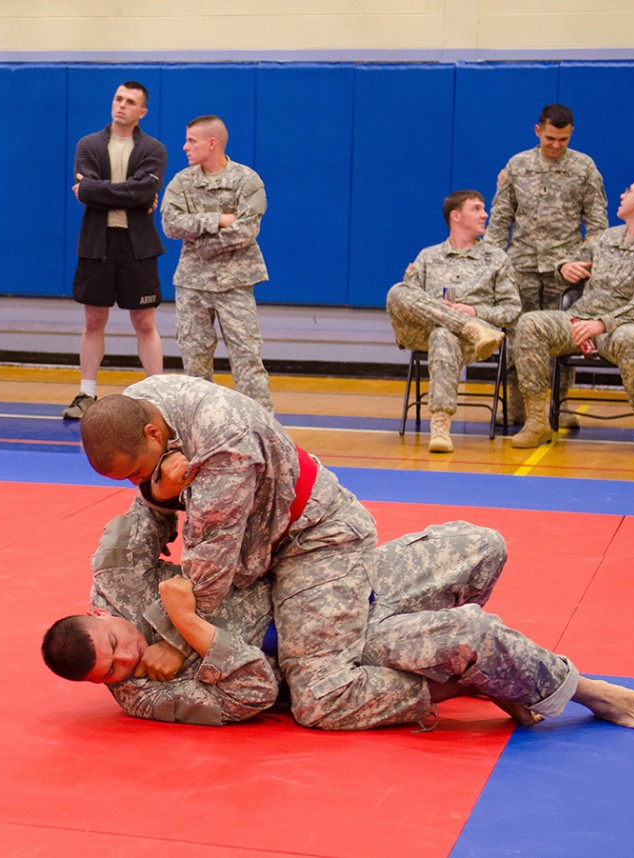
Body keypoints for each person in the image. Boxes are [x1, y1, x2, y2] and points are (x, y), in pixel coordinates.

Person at [42, 503, 634, 733]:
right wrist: (192, 634)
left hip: (343, 582)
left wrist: (160, 495)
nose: (128, 664)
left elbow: (144, 506)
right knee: (471, 635)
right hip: (332, 649)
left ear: (101, 613)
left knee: (484, 543)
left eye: (119, 645)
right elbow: (257, 694)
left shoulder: (117, 577)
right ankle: (580, 690)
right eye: (114, 673)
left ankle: (488, 667)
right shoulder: (147, 697)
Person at [78, 375, 430, 730]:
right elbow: (155, 512)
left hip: (312, 538)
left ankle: (445, 684)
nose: (135, 483)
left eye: (137, 472)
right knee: (350, 640)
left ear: (153, 434)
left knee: (320, 697)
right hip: (258, 548)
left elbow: (212, 557)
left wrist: (178, 640)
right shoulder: (137, 405)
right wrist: (158, 491)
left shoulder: (223, 442)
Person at [512, 176, 634, 455]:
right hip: (580, 319)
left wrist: (601, 324)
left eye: (628, 190)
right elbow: (570, 258)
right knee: (530, 323)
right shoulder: (607, 238)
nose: (622, 195)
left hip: (621, 327)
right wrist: (564, 267)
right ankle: (538, 420)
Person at [484, 104, 608, 424]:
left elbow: (597, 228)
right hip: (521, 265)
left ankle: (560, 405)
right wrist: (492, 263)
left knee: (563, 339)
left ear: (571, 135)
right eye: (550, 138)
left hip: (565, 270)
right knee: (517, 337)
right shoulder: (518, 165)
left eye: (563, 140)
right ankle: (517, 405)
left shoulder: (584, 168)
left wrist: (579, 264)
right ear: (537, 131)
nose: (555, 145)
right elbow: (500, 220)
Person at [63, 82, 167, 420]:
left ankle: (157, 395)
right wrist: (133, 192)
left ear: (142, 112)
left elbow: (140, 192)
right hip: (97, 242)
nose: (121, 105)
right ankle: (86, 393)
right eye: (118, 98)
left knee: (145, 322)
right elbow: (135, 193)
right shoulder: (89, 145)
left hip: (137, 245)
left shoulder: (154, 149)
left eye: (130, 102)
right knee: (93, 319)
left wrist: (94, 190)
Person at [386, 190, 520, 452]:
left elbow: (511, 309)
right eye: (477, 209)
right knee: (397, 291)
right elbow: (408, 299)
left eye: (484, 209)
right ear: (456, 216)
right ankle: (467, 327)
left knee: (444, 334)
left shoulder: (496, 259)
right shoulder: (428, 256)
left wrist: (474, 311)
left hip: (473, 342)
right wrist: (450, 315)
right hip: (424, 331)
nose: (485, 214)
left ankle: (440, 425)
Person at [161, 115, 272, 412]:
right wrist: (217, 220)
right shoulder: (182, 182)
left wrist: (201, 242)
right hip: (192, 286)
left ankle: (262, 430)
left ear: (212, 143)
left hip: (235, 285)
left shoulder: (246, 180)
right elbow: (171, 225)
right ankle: (202, 427)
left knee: (248, 361)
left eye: (191, 141)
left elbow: (247, 230)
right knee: (195, 365)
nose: (185, 147)